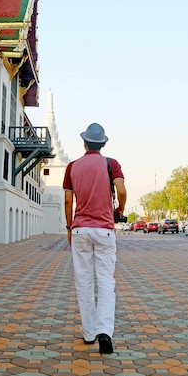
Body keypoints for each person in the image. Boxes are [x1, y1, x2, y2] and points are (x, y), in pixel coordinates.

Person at [63, 122, 126, 354]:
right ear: (103, 144)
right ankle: (104, 332)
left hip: (80, 229)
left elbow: (69, 201)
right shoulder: (112, 164)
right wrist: (119, 209)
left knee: (84, 280)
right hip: (105, 230)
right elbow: (121, 190)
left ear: (84, 142)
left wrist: (69, 227)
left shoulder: (72, 167)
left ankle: (88, 332)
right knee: (106, 281)